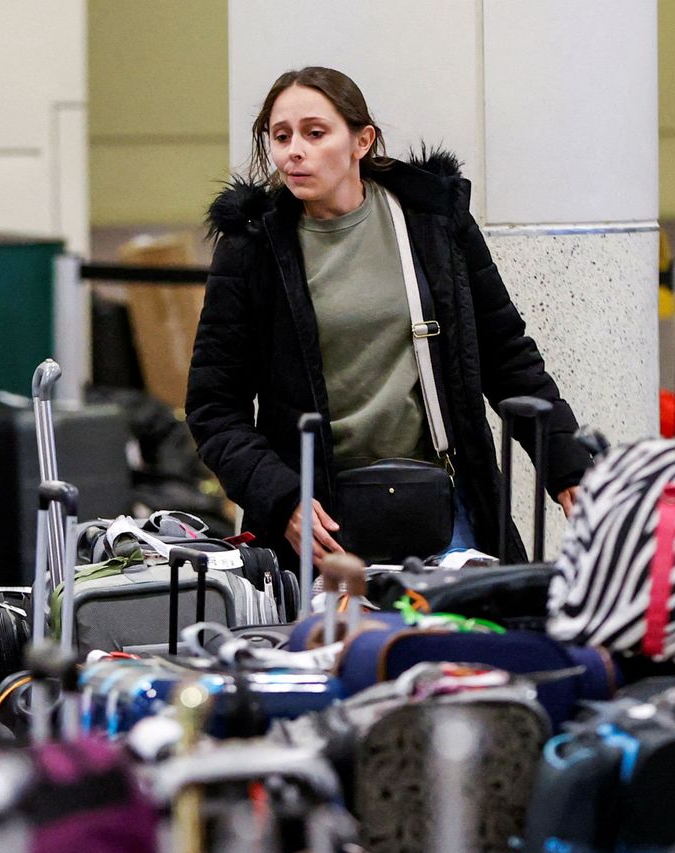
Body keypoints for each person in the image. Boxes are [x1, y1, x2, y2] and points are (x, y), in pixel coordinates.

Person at [187, 65, 590, 568]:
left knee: (465, 644)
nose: (295, 151)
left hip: (442, 503)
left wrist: (568, 467)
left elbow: (507, 357)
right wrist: (281, 498)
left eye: (315, 133)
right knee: (331, 649)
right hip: (317, 521)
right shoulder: (252, 249)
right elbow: (213, 406)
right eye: (281, 135)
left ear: (362, 140)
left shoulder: (433, 224)